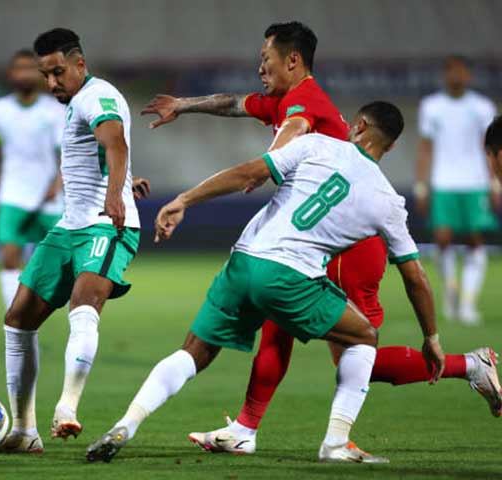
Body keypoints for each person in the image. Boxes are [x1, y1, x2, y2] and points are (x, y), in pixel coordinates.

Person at [142, 23, 502, 455]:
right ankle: (245, 428)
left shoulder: (303, 101)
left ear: (291, 61)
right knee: (285, 325)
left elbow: (293, 130)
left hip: (348, 241)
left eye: (266, 59)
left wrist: (269, 164)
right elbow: (233, 103)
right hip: (320, 234)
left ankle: (468, 366)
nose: (260, 67)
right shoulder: (279, 100)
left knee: (356, 352)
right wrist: (183, 104)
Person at [86, 102, 444, 464]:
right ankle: (335, 442)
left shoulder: (315, 145)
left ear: (358, 125)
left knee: (193, 352)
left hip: (243, 260)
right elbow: (415, 277)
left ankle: (128, 423)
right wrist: (430, 337)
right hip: (290, 276)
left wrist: (184, 199)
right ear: (392, 145)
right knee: (364, 335)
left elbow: (248, 173)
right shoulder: (388, 202)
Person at [0, 28, 142, 453]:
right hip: (70, 226)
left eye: (58, 72)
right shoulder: (77, 100)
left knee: (84, 303)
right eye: (46, 75)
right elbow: (103, 155)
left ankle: (67, 406)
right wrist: (124, 181)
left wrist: (115, 193)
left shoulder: (98, 96)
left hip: (106, 226)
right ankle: (25, 432)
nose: (52, 83)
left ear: (80, 63)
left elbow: (114, 141)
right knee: (18, 318)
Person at [415, 55, 498, 324]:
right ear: (445, 75)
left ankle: (468, 302)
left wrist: (495, 182)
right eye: (450, 71)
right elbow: (425, 148)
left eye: (460, 71)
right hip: (443, 181)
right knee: (442, 238)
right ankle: (451, 291)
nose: (456, 76)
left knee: (475, 240)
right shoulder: (431, 106)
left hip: (475, 182)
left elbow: (491, 149)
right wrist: (421, 185)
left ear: (468, 75)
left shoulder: (482, 107)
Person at [0, 49, 65, 309]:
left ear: (40, 74)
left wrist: (57, 184)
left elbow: (63, 154)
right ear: (11, 74)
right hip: (12, 195)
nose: (25, 73)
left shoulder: (54, 111)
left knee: (65, 261)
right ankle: (15, 316)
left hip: (49, 196)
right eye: (19, 68)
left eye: (31, 68)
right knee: (9, 257)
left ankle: (73, 319)